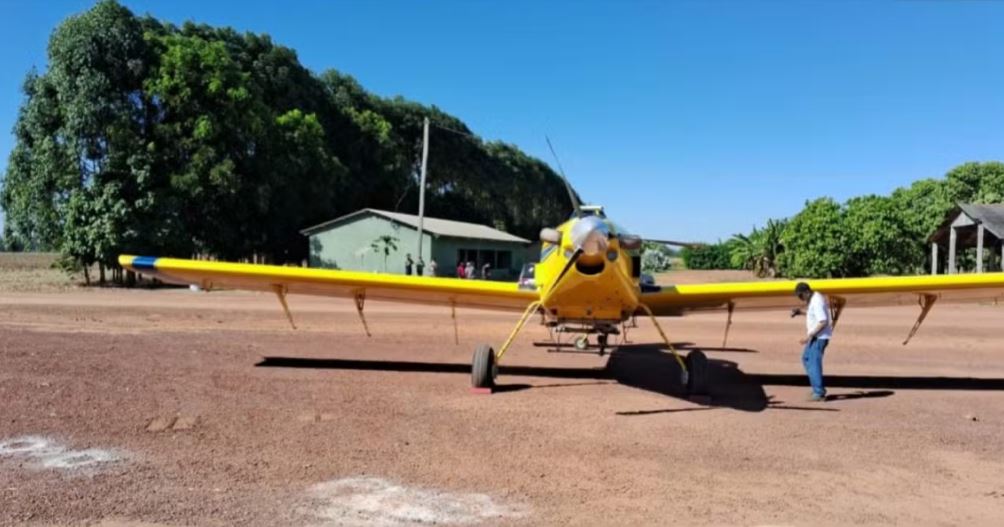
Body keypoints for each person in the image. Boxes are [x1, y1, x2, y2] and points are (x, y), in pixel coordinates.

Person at [795, 282, 833, 402]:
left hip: (819, 337)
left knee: (813, 362)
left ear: (807, 292)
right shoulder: (815, 298)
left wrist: (809, 336)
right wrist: (800, 313)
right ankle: (817, 388)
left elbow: (823, 321)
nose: (800, 299)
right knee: (806, 358)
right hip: (816, 337)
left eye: (801, 296)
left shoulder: (816, 301)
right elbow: (815, 315)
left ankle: (819, 392)